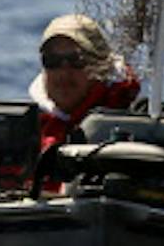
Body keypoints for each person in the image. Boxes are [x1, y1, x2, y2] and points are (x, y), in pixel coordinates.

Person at [30, 13, 142, 156]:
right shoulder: (28, 128)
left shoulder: (135, 118)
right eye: (52, 60)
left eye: (77, 60)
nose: (63, 73)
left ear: (102, 66)